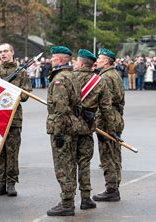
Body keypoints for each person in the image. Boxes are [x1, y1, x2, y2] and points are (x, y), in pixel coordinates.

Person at [73, 49, 113, 210]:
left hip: (69, 127)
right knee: (84, 164)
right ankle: (85, 198)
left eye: (77, 61)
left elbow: (58, 105)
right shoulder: (99, 81)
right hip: (87, 128)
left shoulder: (68, 78)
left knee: (68, 164)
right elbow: (106, 108)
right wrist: (111, 131)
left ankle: (67, 200)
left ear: (81, 63)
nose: (75, 63)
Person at [0, 43, 32, 197]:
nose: (3, 54)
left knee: (12, 152)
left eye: (6, 51)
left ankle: (11, 182)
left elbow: (26, 95)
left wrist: (12, 94)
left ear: (12, 52)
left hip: (13, 118)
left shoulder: (21, 73)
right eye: (0, 52)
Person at [46, 46, 81, 217]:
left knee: (63, 166)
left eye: (53, 58)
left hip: (63, 128)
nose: (51, 60)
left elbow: (60, 108)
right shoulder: (72, 76)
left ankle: (67, 203)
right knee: (70, 164)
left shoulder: (59, 79)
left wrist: (58, 132)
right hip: (72, 125)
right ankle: (68, 199)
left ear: (60, 59)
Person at [93, 48, 125, 202]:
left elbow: (105, 102)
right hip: (116, 117)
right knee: (115, 154)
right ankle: (115, 184)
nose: (97, 60)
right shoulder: (115, 74)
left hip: (107, 119)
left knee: (107, 155)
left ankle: (111, 189)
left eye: (99, 58)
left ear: (106, 61)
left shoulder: (105, 77)